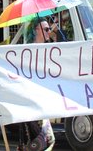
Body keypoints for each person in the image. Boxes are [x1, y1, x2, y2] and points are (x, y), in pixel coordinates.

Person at [17, 21, 55, 150]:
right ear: (37, 30)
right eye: (46, 29)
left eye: (49, 29)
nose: (49, 31)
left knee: (46, 139)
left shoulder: (50, 50)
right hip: (30, 101)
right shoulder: (28, 51)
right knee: (38, 140)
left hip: (42, 101)